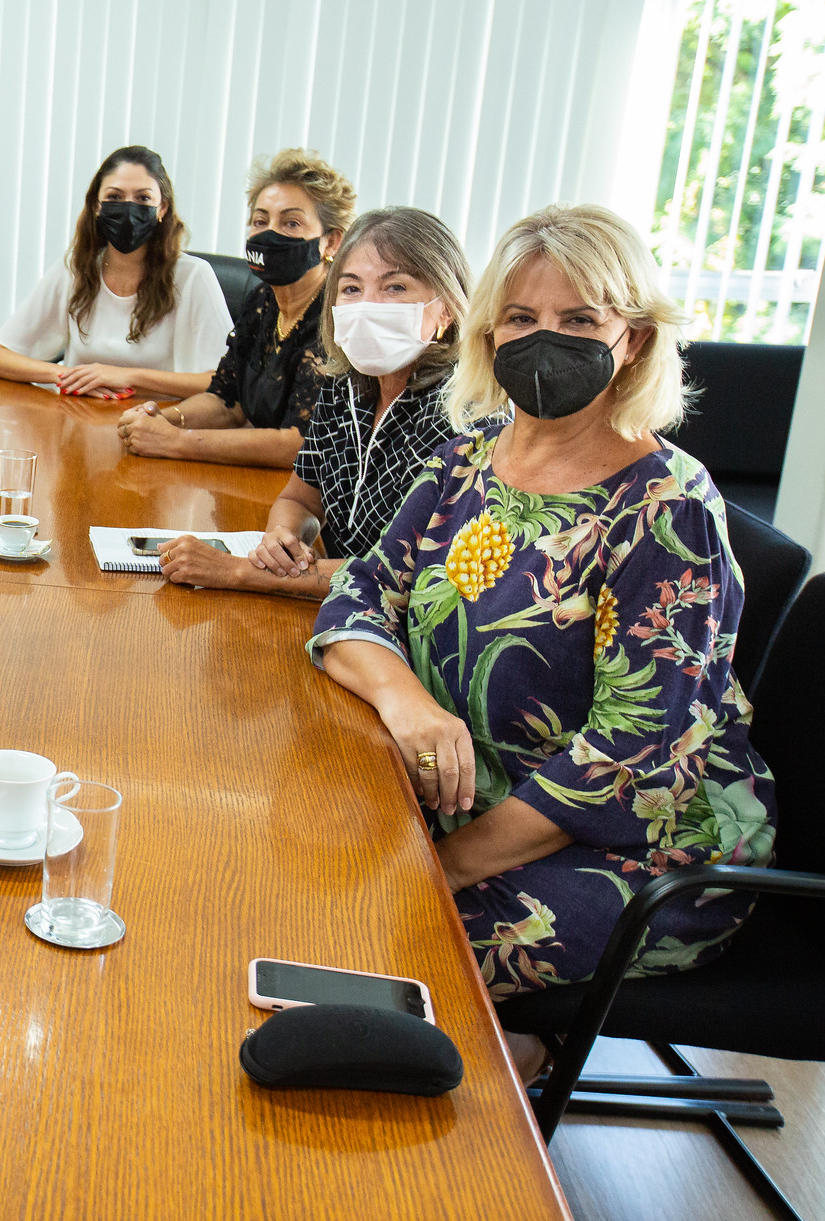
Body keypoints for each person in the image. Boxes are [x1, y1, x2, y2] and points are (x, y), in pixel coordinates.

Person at [308, 204, 775, 1065]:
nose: (543, 339)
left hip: (639, 850)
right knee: (294, 895)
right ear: (488, 332)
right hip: (465, 794)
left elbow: (627, 758)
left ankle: (510, 1078)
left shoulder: (665, 511)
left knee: (378, 948)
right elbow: (355, 599)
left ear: (631, 338)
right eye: (521, 318)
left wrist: (440, 869)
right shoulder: (466, 460)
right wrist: (409, 705)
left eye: (579, 319)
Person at [159, 207, 466, 594]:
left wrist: (239, 572)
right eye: (352, 289)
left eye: (396, 288)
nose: (368, 306)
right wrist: (282, 539)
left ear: (446, 308)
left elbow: (406, 577)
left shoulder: (460, 415)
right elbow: (300, 499)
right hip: (330, 608)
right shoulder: (343, 386)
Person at [117, 148, 355, 466]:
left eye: (291, 223)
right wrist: (159, 416)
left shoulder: (338, 316)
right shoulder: (262, 301)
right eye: (260, 220)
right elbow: (227, 403)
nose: (269, 233)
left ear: (331, 242)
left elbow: (298, 443)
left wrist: (176, 441)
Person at [0, 145, 231, 401]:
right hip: (78, 422)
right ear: (96, 206)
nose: (128, 209)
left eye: (143, 198)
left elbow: (223, 382)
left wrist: (127, 376)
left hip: (156, 426)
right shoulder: (76, 268)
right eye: (114, 197)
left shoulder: (193, 276)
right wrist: (70, 376)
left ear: (163, 208)